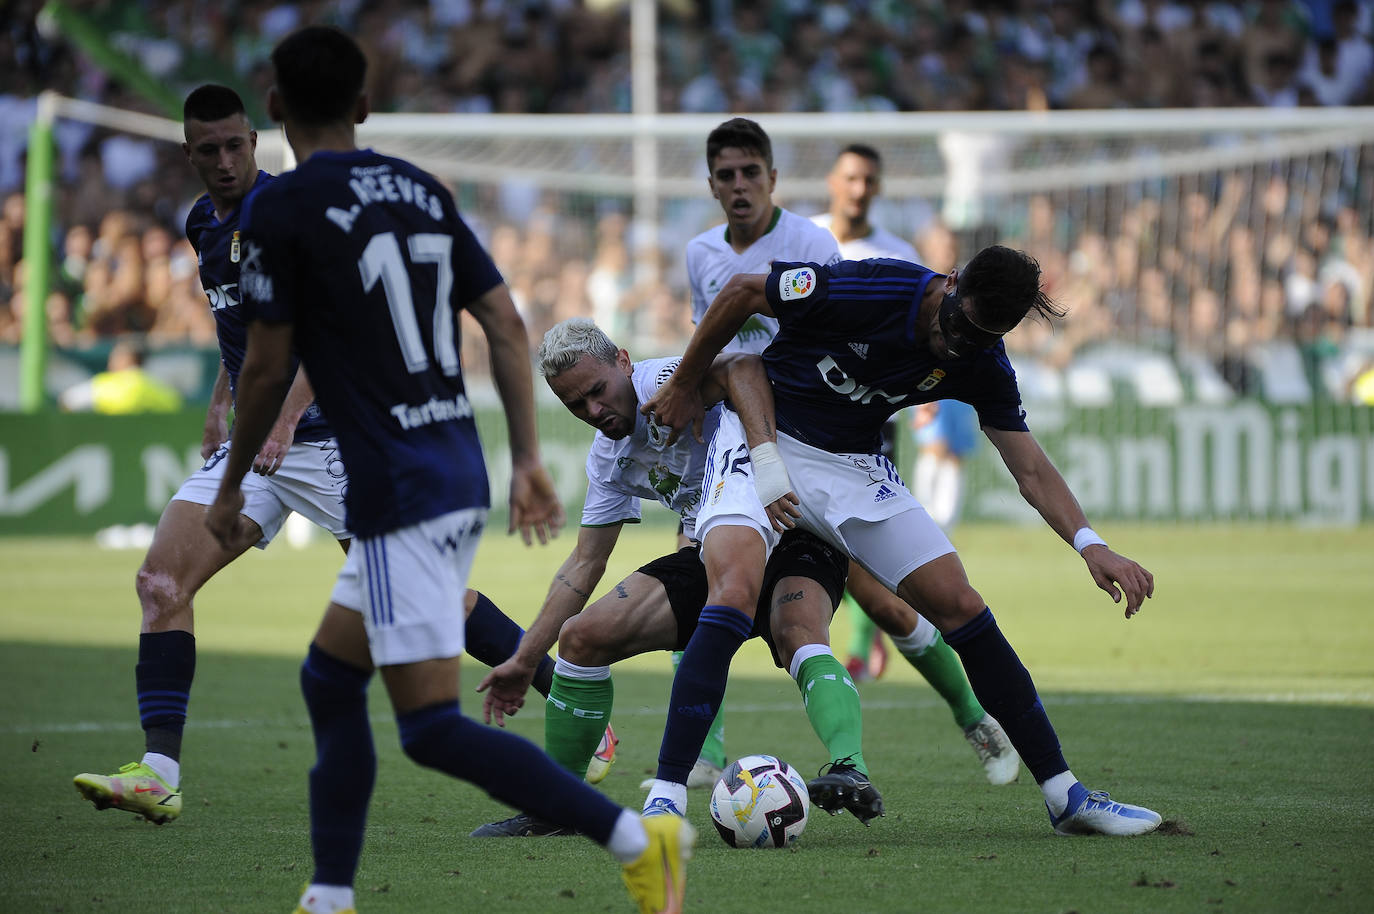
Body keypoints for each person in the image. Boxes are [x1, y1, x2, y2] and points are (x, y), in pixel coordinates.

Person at [70, 85, 600, 830]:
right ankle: (159, 772)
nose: (224, 162)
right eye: (207, 151)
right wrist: (223, 405)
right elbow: (248, 333)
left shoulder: (290, 212)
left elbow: (330, 328)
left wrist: (285, 422)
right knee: (161, 581)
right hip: (256, 448)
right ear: (188, 155)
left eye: (235, 146)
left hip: (333, 441)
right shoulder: (201, 223)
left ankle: (573, 700)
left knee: (434, 608)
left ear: (256, 142)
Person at [644, 246, 1162, 837]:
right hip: (765, 436)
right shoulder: (871, 288)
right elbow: (739, 291)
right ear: (952, 282)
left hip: (854, 467)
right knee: (734, 592)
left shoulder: (982, 358)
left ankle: (1066, 798)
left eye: (984, 337)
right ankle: (665, 795)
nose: (961, 345)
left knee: (960, 604)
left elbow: (1032, 469)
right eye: (961, 326)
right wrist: (687, 379)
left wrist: (1091, 544)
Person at [471, 318, 882, 835]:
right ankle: (560, 806)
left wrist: (759, 454)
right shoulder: (609, 459)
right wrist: (525, 658)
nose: (594, 412)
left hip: (793, 524)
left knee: (798, 630)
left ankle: (852, 769)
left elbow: (741, 367)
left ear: (624, 361)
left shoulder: (668, 380)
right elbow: (583, 564)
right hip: (715, 549)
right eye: (576, 406)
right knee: (581, 638)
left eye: (598, 391)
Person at [810, 142, 1021, 783]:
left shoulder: (898, 253)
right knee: (718, 581)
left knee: (879, 592)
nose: (859, 189)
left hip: (865, 428)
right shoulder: (802, 239)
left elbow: (925, 340)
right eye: (850, 177)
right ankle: (699, 764)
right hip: (783, 425)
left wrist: (922, 404)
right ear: (832, 181)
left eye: (870, 179)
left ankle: (971, 713)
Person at [58, 339, 184, 414]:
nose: (110, 362)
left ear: (128, 359)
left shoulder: (106, 385)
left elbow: (69, 401)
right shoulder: (161, 387)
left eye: (115, 357)